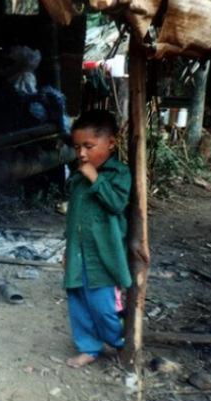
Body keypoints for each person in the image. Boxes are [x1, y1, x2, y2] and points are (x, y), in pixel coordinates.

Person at [63, 110, 132, 368]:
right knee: (78, 302)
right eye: (77, 147)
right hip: (78, 251)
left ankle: (119, 342)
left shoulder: (119, 174)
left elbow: (116, 203)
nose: (81, 153)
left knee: (104, 306)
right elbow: (73, 217)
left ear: (111, 143)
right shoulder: (78, 177)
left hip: (104, 255)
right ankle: (89, 347)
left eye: (89, 146)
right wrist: (67, 249)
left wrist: (95, 178)